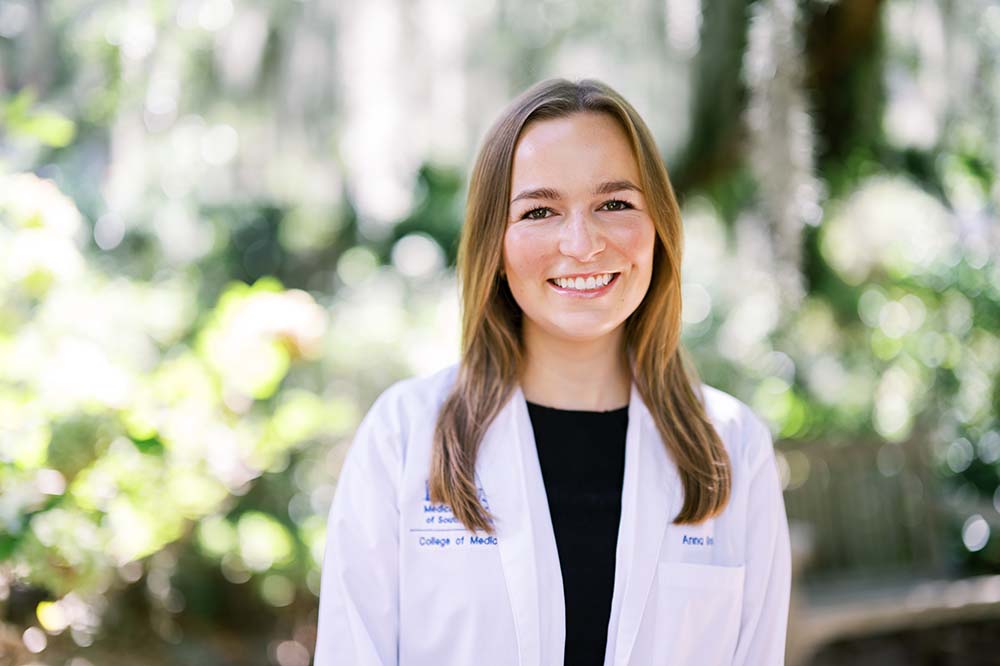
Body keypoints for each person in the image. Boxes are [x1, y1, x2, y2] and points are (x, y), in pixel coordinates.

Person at [313, 77, 791, 666]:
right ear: (496, 243)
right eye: (540, 210)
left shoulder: (732, 444)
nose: (582, 243)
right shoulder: (404, 436)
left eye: (615, 204)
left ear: (659, 227)